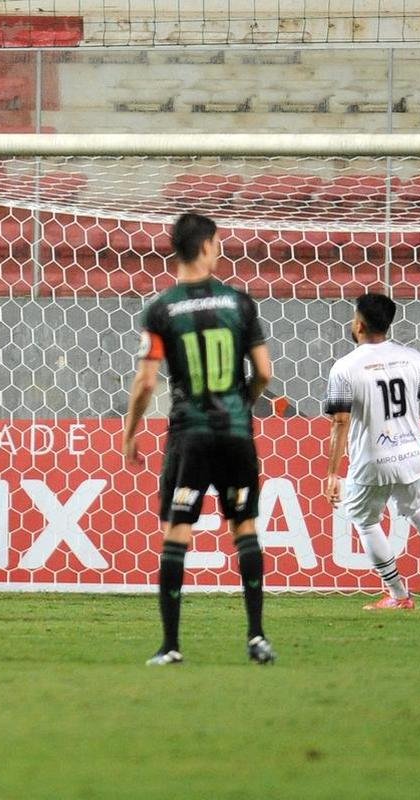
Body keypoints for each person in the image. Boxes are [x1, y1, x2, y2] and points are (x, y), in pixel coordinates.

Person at [121, 212, 277, 666]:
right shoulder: (240, 303)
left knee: (178, 531)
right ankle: (256, 638)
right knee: (244, 526)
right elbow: (264, 372)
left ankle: (170, 646)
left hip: (189, 434)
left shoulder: (161, 308)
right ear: (207, 246)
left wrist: (130, 432)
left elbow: (147, 382)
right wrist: (242, 403)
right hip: (235, 432)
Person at [322, 293, 420, 610]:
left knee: (365, 521)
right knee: (416, 507)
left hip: (372, 460)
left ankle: (398, 595)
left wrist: (333, 471)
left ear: (359, 324)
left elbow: (340, 421)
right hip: (411, 456)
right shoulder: (413, 358)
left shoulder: (345, 368)